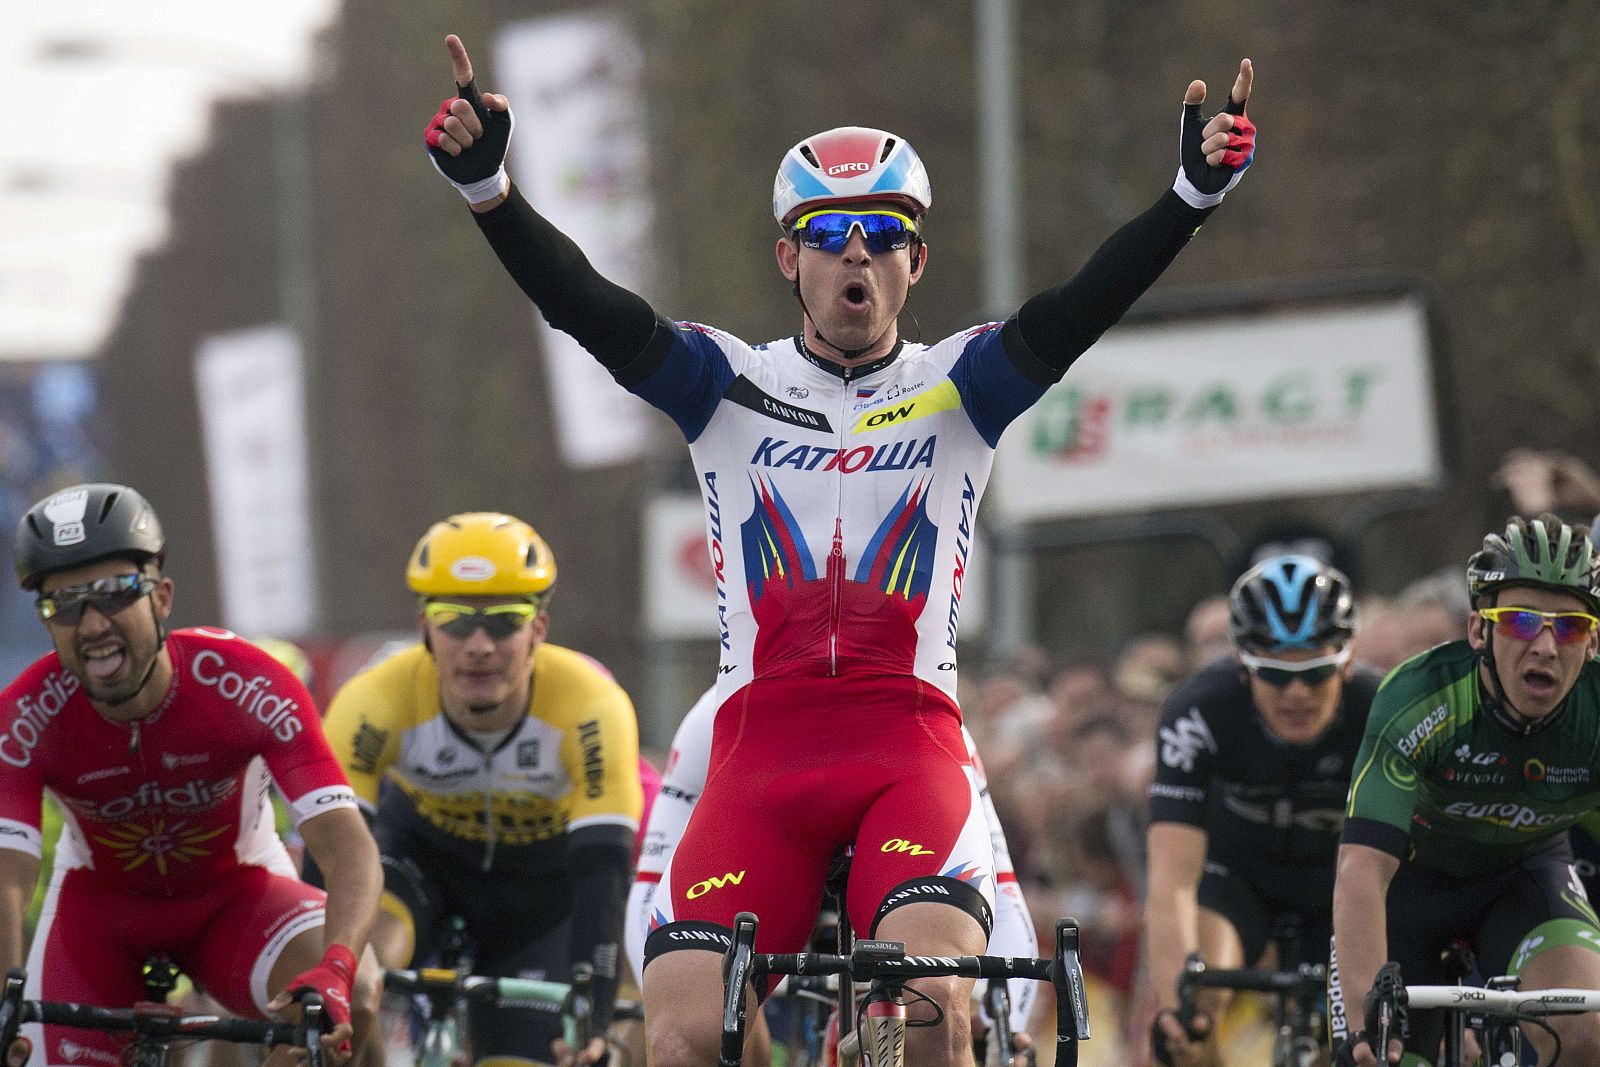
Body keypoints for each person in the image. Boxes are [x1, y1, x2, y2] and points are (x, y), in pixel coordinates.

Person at [423, 33, 1256, 1067]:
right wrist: (491, 189)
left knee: (929, 1011)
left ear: (915, 257)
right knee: (680, 1037)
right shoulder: (720, 381)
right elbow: (585, 306)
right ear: (790, 256)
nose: (854, 251)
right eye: (828, 232)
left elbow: (1083, 305)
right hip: (757, 755)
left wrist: (1188, 193)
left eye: (881, 231)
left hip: (903, 746)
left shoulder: (967, 383)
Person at [0, 483, 382, 1066]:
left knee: (352, 998)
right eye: (67, 604)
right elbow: (7, 877)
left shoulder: (246, 682)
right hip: (98, 918)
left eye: (113, 593)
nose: (93, 623)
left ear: (162, 598)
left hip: (239, 897)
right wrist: (6, 995)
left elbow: (347, 847)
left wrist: (334, 968)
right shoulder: (26, 714)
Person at [321, 512, 643, 1067]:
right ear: (424, 626)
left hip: (538, 900)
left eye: (503, 622)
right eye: (454, 621)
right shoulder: (373, 701)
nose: (478, 645)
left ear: (538, 629)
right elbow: (330, 853)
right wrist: (331, 974)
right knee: (354, 981)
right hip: (416, 872)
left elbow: (604, 871)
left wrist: (593, 1013)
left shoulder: (591, 704)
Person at [626, 687, 1038, 1067]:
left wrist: (1006, 1022)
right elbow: (653, 885)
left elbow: (1002, 889)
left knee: (929, 1008)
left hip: (898, 855)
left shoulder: (942, 729)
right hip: (760, 858)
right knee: (713, 1014)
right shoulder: (709, 721)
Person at [1331, 515, 1600, 1066]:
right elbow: (1361, 867)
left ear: (1593, 641)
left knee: (1591, 1032)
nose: (1547, 646)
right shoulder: (1419, 699)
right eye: (1522, 622)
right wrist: (1365, 1025)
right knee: (1380, 1057)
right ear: (1479, 631)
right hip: (1406, 888)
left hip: (1523, 879)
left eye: (1570, 626)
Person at [1145, 555, 1379, 1067]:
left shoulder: (1379, 710)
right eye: (1274, 674)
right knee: (1196, 1005)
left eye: (1315, 673)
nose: (1296, 692)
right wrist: (1174, 1006)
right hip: (1236, 881)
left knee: (1365, 1036)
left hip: (1344, 884)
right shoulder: (1199, 712)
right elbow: (1172, 881)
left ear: (1347, 659)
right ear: (1242, 662)